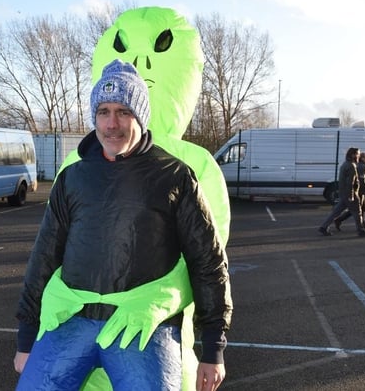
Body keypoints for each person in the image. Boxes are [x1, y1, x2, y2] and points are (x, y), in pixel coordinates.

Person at [14, 60, 232, 390]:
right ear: (94, 117)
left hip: (143, 328)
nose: (112, 124)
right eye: (103, 111)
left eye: (123, 112)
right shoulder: (73, 177)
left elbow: (207, 262)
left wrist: (213, 348)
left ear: (140, 117)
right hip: (72, 321)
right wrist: (27, 337)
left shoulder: (174, 176)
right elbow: (44, 256)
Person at [318, 147, 365, 237]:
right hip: (350, 193)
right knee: (357, 212)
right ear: (353, 155)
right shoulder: (351, 166)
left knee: (336, 212)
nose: (359, 156)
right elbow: (351, 182)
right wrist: (351, 195)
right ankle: (360, 230)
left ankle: (323, 227)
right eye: (358, 154)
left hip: (344, 193)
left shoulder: (345, 164)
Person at [334, 150, 365, 231]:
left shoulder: (360, 165)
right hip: (360, 191)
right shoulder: (362, 167)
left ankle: (362, 225)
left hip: (359, 191)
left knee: (359, 209)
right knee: (358, 209)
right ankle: (360, 226)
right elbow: (362, 180)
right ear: (363, 158)